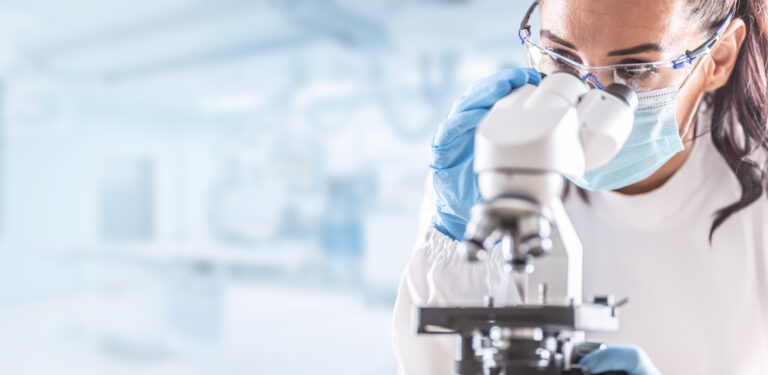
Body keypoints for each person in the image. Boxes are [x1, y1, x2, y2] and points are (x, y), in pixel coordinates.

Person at [391, 0, 768, 374]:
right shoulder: (488, 171)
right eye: (561, 60)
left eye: (634, 68)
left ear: (718, 58)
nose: (590, 97)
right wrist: (454, 240)